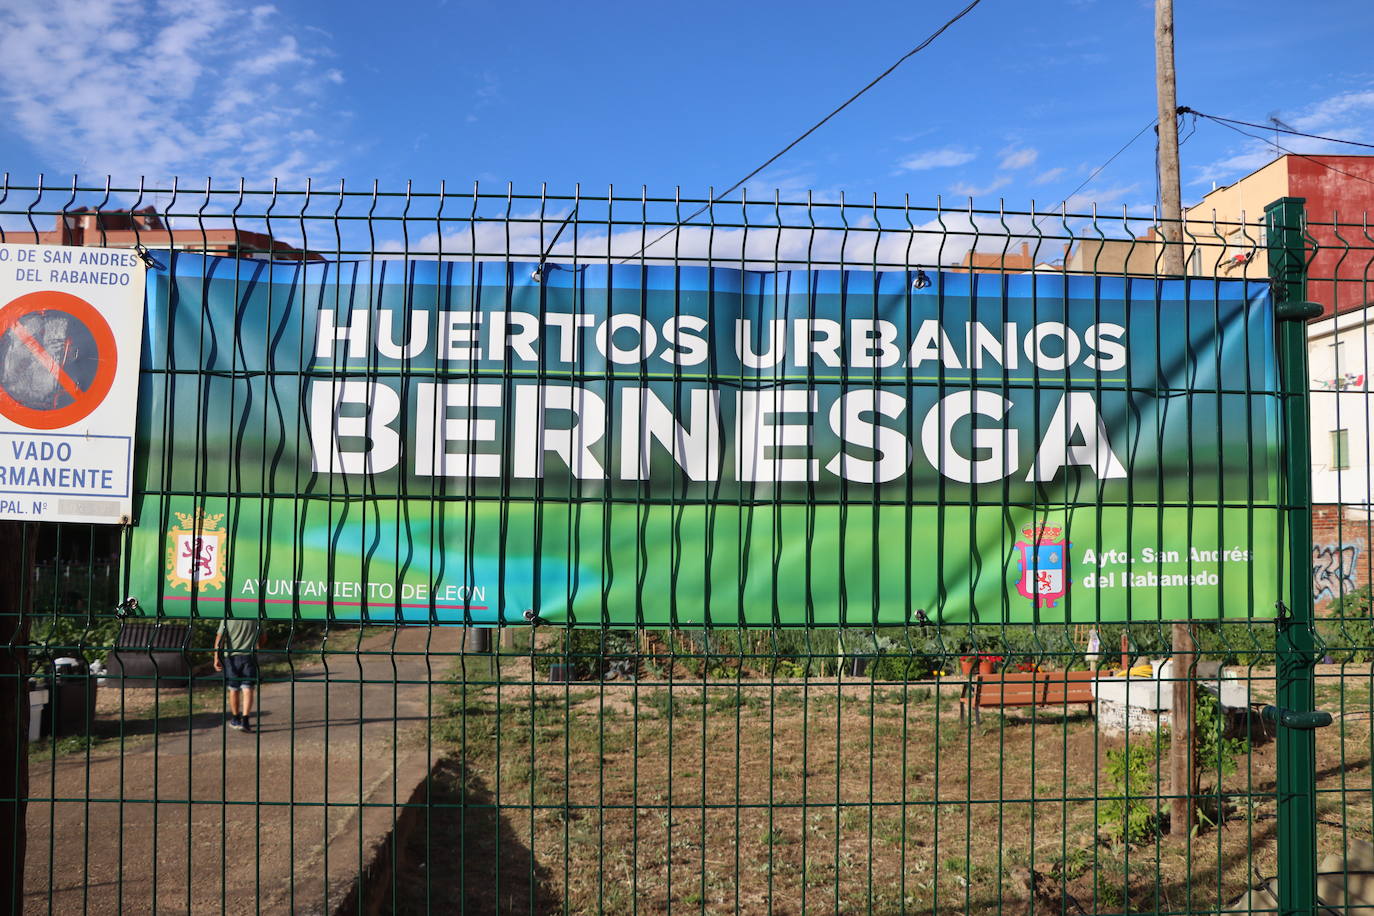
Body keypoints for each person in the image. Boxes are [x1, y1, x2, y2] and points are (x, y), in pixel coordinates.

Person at [214, 617, 265, 733]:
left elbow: (220, 638)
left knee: (233, 689)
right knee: (248, 688)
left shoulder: (228, 618)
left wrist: (216, 656)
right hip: (250, 655)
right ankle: (246, 720)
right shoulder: (255, 618)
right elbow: (263, 637)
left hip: (231, 657)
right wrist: (258, 646)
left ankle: (236, 718)